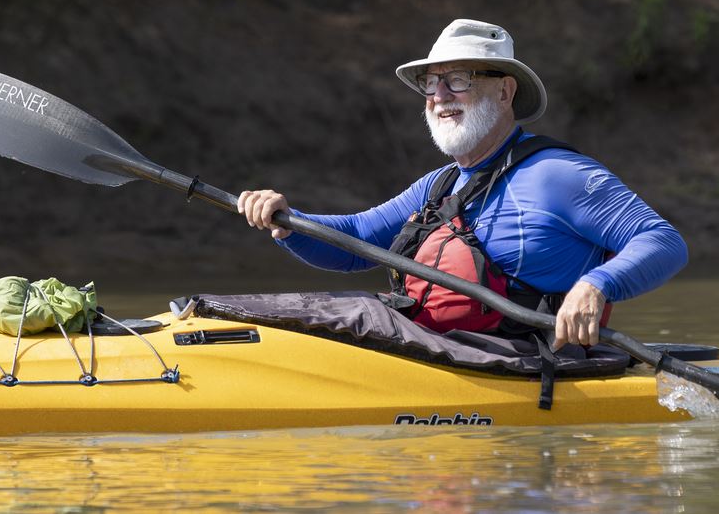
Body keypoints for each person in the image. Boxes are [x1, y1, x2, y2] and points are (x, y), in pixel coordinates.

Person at [238, 19, 688, 347]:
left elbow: (663, 241)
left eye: (458, 80)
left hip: (522, 368)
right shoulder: (439, 186)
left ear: (504, 92)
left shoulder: (559, 176)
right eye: (431, 85)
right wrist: (286, 220)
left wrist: (596, 285)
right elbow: (355, 241)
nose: (439, 97)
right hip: (439, 354)